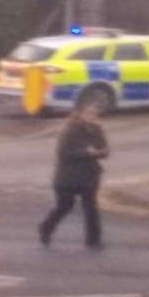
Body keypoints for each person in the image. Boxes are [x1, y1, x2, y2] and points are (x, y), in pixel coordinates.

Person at [38, 95, 109, 248]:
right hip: (68, 177)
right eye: (89, 113)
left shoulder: (97, 130)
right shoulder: (70, 131)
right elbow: (64, 153)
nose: (93, 117)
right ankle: (46, 228)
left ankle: (93, 240)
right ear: (80, 114)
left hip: (89, 176)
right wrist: (87, 153)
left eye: (95, 114)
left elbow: (105, 150)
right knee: (64, 206)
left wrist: (99, 152)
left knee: (91, 207)